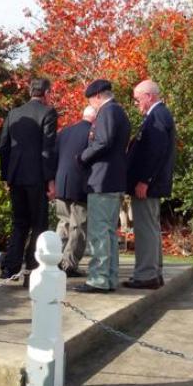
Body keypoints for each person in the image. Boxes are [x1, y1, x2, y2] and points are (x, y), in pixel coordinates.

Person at [74, 79, 131, 294]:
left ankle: (98, 279)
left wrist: (82, 157)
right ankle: (109, 278)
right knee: (109, 232)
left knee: (99, 232)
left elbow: (103, 141)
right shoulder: (119, 111)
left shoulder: (107, 111)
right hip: (113, 179)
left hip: (103, 180)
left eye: (91, 100)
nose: (92, 104)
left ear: (98, 95)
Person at [0, 78, 57, 282]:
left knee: (19, 222)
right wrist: (51, 180)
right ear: (47, 93)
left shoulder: (13, 113)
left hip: (16, 176)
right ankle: (33, 270)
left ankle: (10, 268)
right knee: (39, 223)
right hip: (37, 177)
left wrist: (6, 176)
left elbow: (3, 147)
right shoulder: (48, 113)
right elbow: (47, 150)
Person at [123, 79, 176, 289]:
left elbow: (155, 152)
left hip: (148, 185)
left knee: (145, 229)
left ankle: (146, 275)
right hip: (151, 184)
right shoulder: (158, 115)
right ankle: (154, 272)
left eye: (137, 100)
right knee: (151, 228)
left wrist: (145, 180)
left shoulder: (157, 116)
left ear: (149, 96)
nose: (136, 104)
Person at [54, 105, 96, 277]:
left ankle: (54, 259)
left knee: (63, 222)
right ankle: (69, 264)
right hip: (80, 183)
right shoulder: (93, 134)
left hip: (61, 182)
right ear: (95, 118)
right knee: (79, 225)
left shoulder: (65, 132)